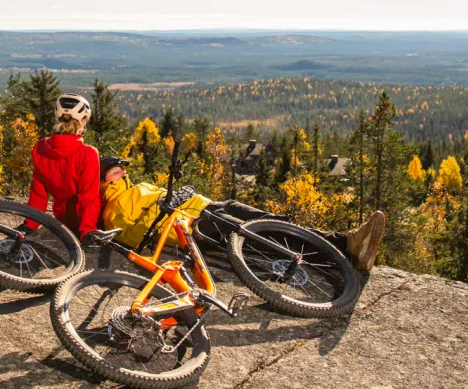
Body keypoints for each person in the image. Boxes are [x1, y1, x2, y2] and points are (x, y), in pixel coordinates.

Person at [97, 156, 387, 270]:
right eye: (114, 170)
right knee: (263, 235)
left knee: (270, 223)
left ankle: (341, 244)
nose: (121, 171)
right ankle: (344, 248)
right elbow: (134, 238)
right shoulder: (113, 209)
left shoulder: (138, 187)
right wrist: (169, 218)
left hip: (210, 207)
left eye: (121, 168)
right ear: (103, 178)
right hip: (195, 226)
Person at [26, 93, 102, 240]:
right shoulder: (88, 154)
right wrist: (87, 230)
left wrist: (30, 224)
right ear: (82, 122)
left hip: (63, 218)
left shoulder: (41, 148)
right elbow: (89, 198)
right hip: (87, 222)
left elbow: (38, 194)